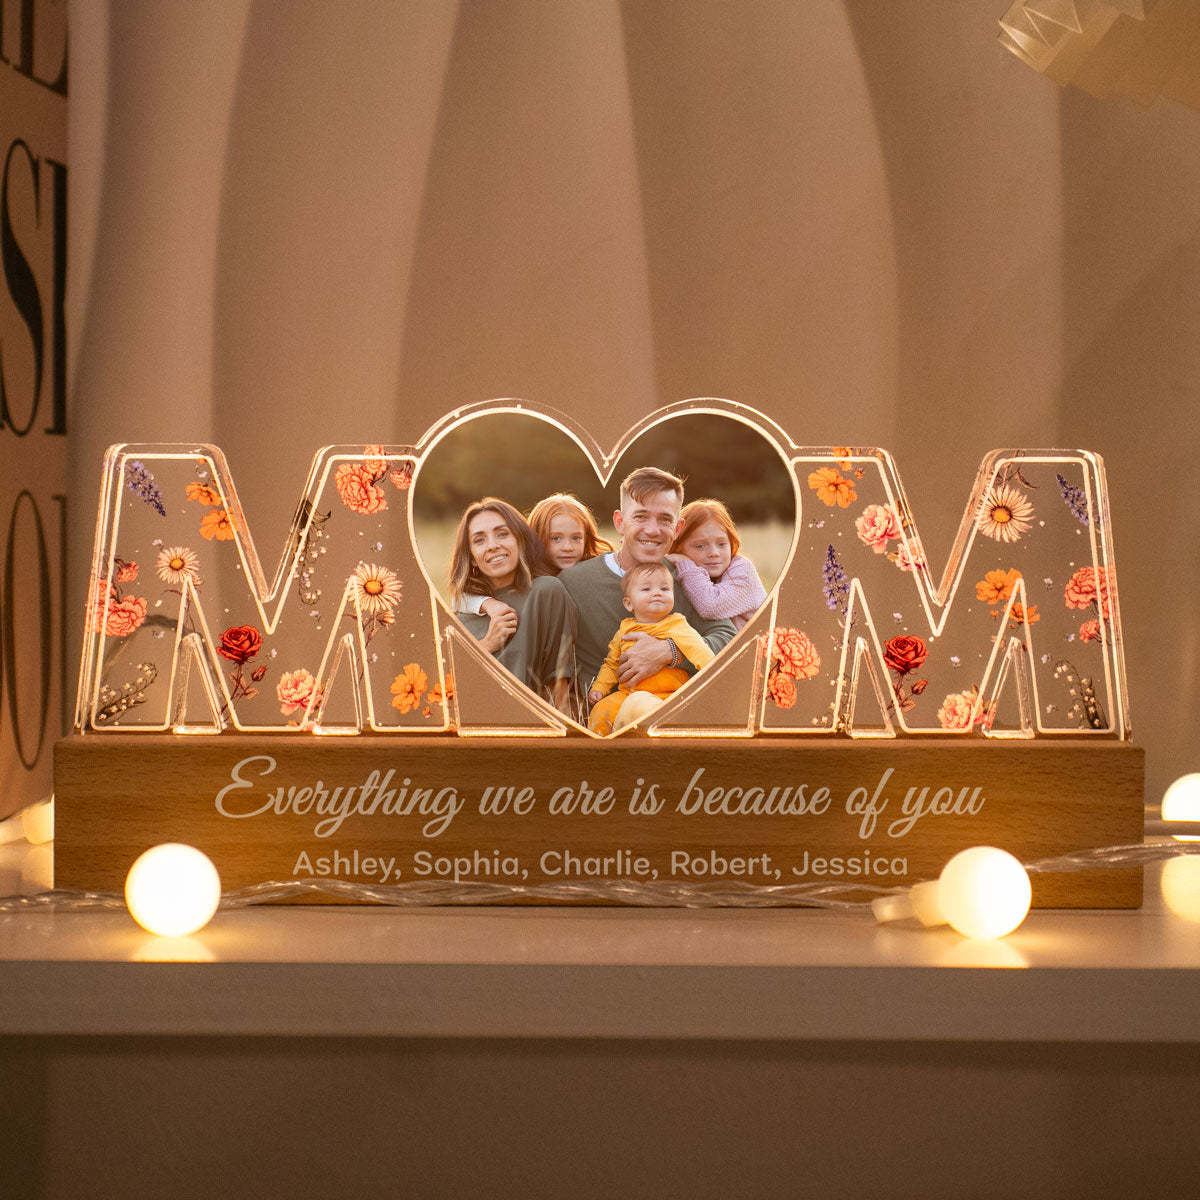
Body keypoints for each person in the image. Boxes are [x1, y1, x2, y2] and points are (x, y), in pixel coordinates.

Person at [558, 466, 736, 708]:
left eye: (665, 519)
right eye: (640, 517)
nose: (652, 530)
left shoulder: (687, 578)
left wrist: (671, 651)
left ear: (677, 528)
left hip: (672, 713)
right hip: (605, 716)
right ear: (620, 522)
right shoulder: (574, 583)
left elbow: (729, 640)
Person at [448, 498, 577, 712]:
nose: (493, 546)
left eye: (502, 534)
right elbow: (443, 685)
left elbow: (557, 681)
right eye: (479, 540)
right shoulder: (460, 617)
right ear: (471, 558)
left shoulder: (545, 592)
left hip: (526, 721)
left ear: (520, 540)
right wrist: (488, 644)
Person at [587, 562, 714, 735]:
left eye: (664, 588)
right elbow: (612, 664)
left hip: (670, 695)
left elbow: (699, 651)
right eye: (646, 589)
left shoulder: (677, 624)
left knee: (649, 710)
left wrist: (713, 676)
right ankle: (601, 744)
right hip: (628, 694)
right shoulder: (625, 630)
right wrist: (599, 688)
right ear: (629, 604)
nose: (657, 593)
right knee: (602, 709)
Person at [667, 498, 767, 630]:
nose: (714, 553)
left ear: (731, 542)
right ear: (678, 547)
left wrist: (685, 563)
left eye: (721, 544)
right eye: (700, 546)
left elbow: (711, 606)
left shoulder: (742, 569)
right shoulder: (675, 574)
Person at [527, 493, 613, 572]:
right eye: (556, 538)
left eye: (576, 538)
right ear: (536, 539)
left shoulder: (598, 571)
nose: (568, 547)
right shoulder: (527, 578)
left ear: (586, 538)